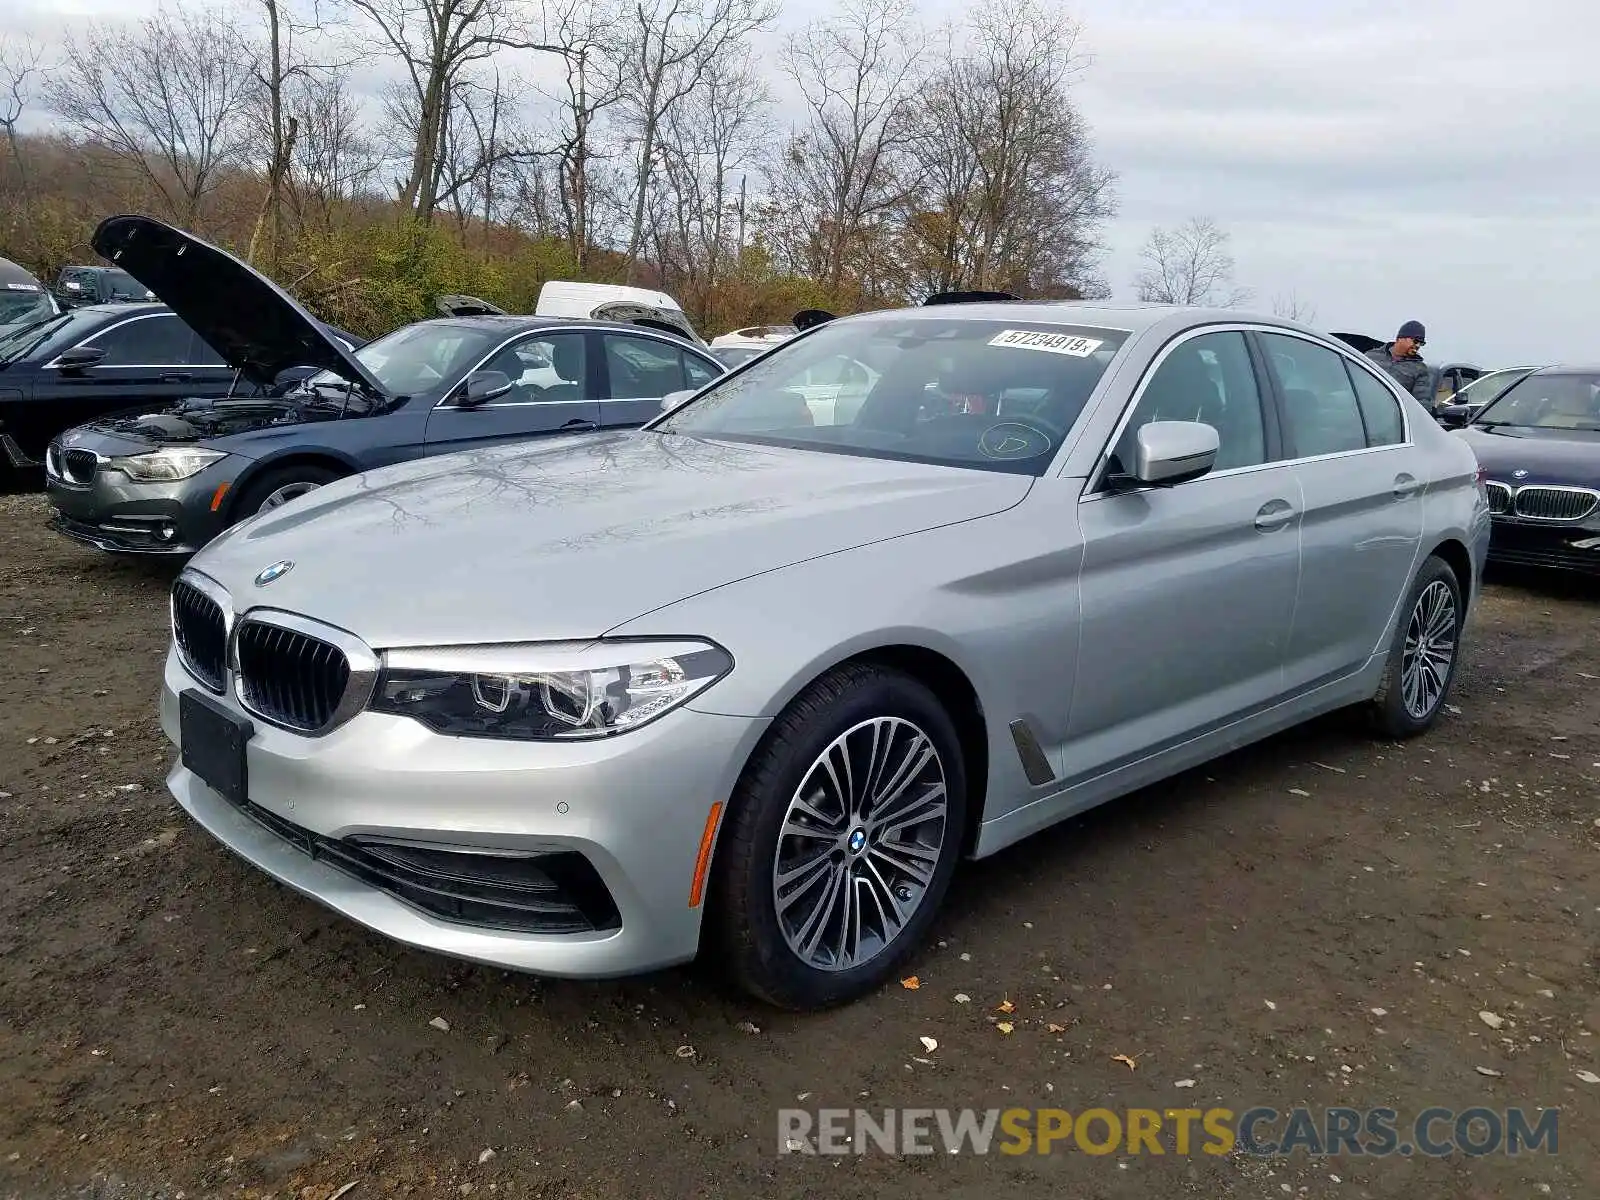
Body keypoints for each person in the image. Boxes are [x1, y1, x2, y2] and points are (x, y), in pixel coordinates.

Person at [1366, 320, 1433, 407]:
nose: (1418, 346)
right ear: (1400, 338)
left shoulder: (1420, 369)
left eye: (1421, 343)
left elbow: (1423, 404)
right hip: (1362, 410)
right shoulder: (1371, 356)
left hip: (1393, 416)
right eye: (1415, 341)